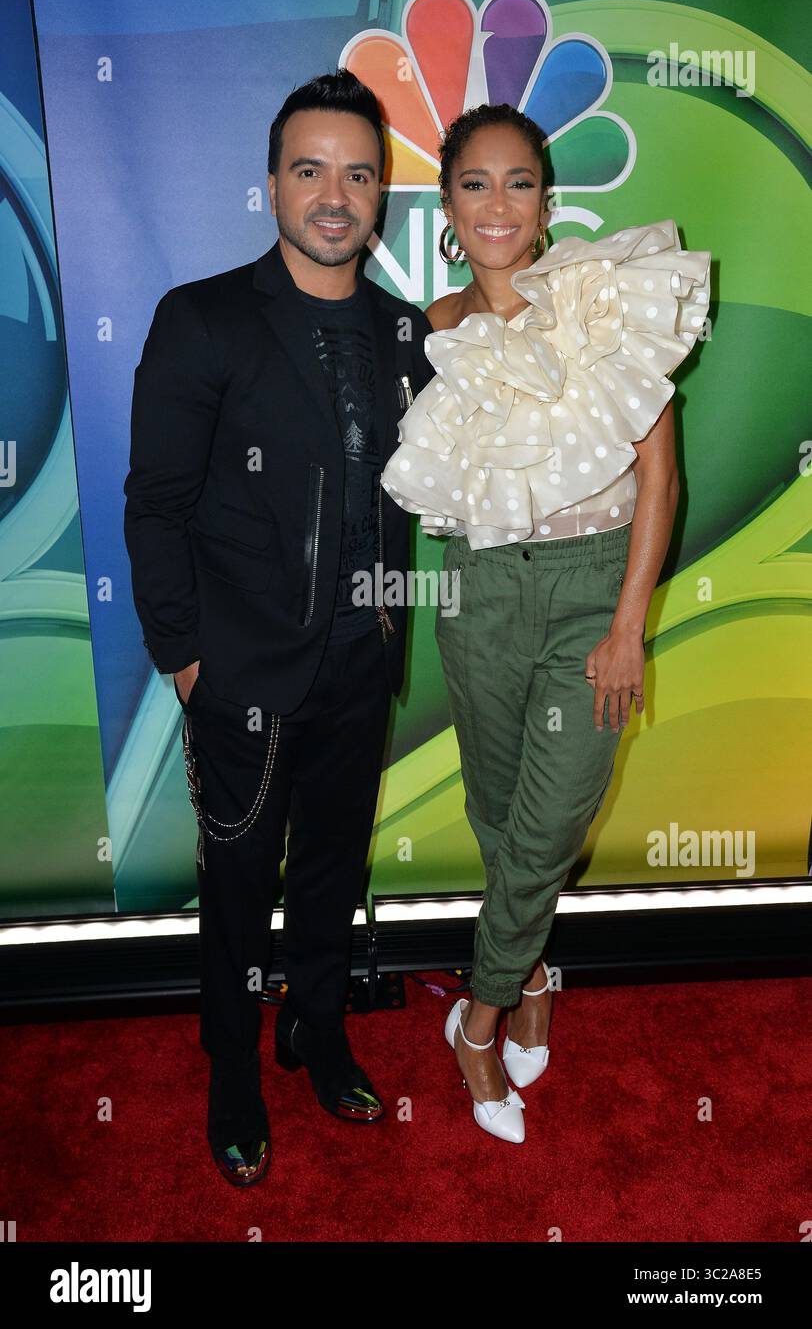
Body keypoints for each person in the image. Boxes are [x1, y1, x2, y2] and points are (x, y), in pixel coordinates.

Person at [123, 69, 435, 1185]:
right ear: (272, 186)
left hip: (362, 661)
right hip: (241, 672)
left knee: (333, 867)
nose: (334, 196)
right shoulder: (202, 317)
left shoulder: (404, 330)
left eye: (357, 174)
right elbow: (155, 504)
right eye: (311, 171)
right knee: (237, 886)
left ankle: (316, 1028)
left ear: (381, 192)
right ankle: (232, 1071)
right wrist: (184, 658)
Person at [381, 103, 710, 1144]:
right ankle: (529, 979)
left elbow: (660, 479)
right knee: (498, 816)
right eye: (473, 184)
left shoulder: (601, 299)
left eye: (517, 182)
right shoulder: (428, 329)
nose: (497, 205)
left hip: (591, 594)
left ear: (546, 199)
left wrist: (627, 627)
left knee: (553, 820)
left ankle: (476, 1023)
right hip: (478, 595)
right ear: (446, 206)